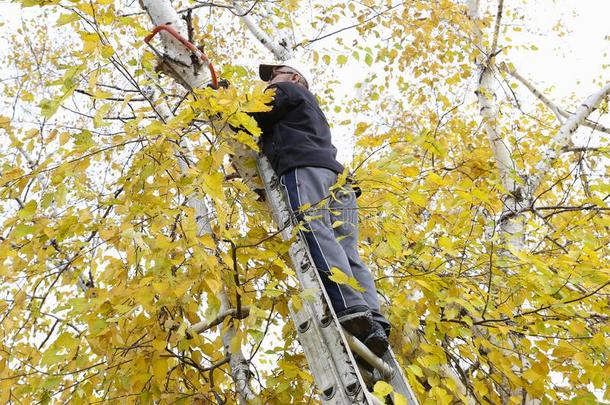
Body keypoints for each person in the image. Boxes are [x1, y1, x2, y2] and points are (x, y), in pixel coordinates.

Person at [249, 62, 391, 357]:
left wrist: (224, 106)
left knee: (314, 227)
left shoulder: (285, 90)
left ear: (294, 77)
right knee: (348, 249)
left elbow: (254, 116)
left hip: (305, 168)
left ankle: (351, 308)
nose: (268, 83)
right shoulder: (311, 111)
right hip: (339, 182)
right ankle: (375, 319)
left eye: (273, 76)